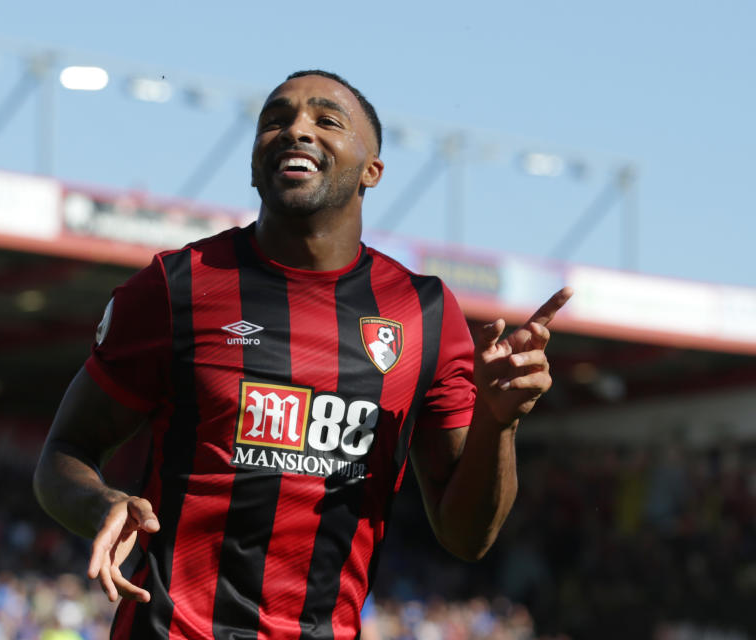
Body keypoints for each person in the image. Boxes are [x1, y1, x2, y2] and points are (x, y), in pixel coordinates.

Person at [33, 69, 572, 640]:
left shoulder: (423, 314)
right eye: (275, 120)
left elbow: (468, 537)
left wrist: (498, 422)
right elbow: (62, 453)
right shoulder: (178, 286)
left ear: (373, 170)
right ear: (252, 163)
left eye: (326, 120)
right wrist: (100, 505)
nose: (296, 131)